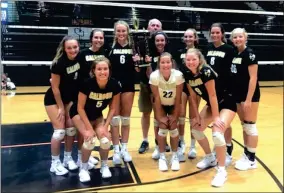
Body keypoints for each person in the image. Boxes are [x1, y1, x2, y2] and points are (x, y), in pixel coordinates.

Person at [184, 48, 236, 187]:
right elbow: (192, 97)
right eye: (188, 60)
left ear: (199, 59)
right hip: (211, 104)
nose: (191, 62)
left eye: (193, 59)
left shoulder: (206, 71)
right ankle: (210, 157)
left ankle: (221, 171)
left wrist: (216, 117)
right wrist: (196, 116)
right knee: (195, 129)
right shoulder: (187, 74)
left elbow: (213, 95)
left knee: (217, 134)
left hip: (226, 102)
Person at [69, 56, 120, 182]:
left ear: (109, 70)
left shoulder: (114, 85)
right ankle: (84, 169)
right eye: (99, 69)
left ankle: (104, 166)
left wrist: (105, 127)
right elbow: (80, 108)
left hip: (97, 115)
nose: (102, 72)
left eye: (105, 69)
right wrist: (88, 128)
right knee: (89, 140)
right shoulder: (87, 84)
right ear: (94, 71)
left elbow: (112, 108)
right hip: (79, 114)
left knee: (105, 140)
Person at [44, 36, 80, 176]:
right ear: (64, 49)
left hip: (69, 98)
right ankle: (55, 163)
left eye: (75, 47)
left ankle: (67, 158)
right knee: (59, 132)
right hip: (54, 100)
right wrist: (60, 108)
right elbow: (55, 88)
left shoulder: (79, 59)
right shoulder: (58, 63)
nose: (72, 50)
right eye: (69, 48)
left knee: (71, 129)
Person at [76, 28, 110, 167]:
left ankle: (87, 156)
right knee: (83, 129)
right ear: (91, 39)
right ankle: (80, 157)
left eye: (101, 38)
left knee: (93, 125)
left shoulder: (105, 54)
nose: (98, 40)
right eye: (96, 37)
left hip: (97, 96)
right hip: (84, 94)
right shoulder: (83, 54)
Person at [108, 20, 140, 165]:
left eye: (123, 31)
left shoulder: (134, 47)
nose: (121, 33)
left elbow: (138, 69)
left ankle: (124, 149)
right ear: (115, 32)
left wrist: (138, 62)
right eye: (118, 31)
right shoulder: (110, 47)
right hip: (113, 87)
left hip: (128, 85)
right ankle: (115, 150)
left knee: (125, 118)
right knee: (114, 119)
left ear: (128, 32)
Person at [230, 28, 260, 171]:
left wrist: (248, 99)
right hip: (238, 94)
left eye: (240, 37)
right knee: (244, 126)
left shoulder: (250, 54)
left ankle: (252, 160)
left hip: (249, 96)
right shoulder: (236, 53)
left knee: (250, 126)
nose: (237, 39)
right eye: (235, 37)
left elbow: (253, 78)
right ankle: (247, 154)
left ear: (245, 38)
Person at [205, 23, 235, 166]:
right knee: (217, 124)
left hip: (226, 92)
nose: (215, 35)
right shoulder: (208, 48)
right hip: (212, 93)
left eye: (217, 32)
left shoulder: (229, 49)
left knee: (225, 124)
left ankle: (228, 150)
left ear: (222, 34)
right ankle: (218, 149)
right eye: (213, 32)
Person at [149, 52, 184, 171]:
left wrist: (175, 115)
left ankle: (174, 156)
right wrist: (160, 116)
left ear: (172, 63)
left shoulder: (178, 75)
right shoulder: (154, 76)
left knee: (174, 127)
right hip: (161, 105)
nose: (165, 64)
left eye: (168, 62)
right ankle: (162, 157)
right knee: (163, 127)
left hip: (173, 105)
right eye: (162, 62)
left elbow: (179, 98)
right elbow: (156, 98)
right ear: (159, 63)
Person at [174, 28, 201, 161]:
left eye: (191, 36)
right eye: (186, 36)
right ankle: (181, 143)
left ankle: (193, 146)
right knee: (181, 115)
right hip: (183, 86)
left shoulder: (200, 53)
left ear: (195, 38)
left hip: (196, 86)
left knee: (193, 116)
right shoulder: (179, 52)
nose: (188, 39)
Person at [138, 18, 162, 154]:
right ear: (148, 27)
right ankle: (145, 140)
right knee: (146, 113)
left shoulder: (164, 44)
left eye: (157, 25)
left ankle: (160, 141)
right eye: (152, 25)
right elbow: (136, 67)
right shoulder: (142, 44)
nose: (155, 27)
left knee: (159, 115)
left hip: (161, 87)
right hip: (145, 85)